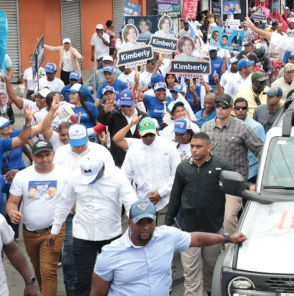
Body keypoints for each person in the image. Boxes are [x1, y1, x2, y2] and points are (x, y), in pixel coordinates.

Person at [91, 199, 246, 296]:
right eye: (140, 222)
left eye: (149, 222)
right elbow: (97, 293)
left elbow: (197, 238)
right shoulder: (110, 254)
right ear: (129, 222)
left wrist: (227, 238)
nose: (145, 227)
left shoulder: (167, 236)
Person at [49, 155, 137, 296]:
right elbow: (64, 203)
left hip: (111, 235)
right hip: (83, 234)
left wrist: (135, 230)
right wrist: (55, 230)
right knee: (83, 281)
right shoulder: (75, 177)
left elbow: (131, 202)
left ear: (102, 168)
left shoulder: (117, 175)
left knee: (114, 278)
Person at [166, 132, 235, 296]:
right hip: (188, 230)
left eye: (198, 146)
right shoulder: (183, 168)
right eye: (192, 146)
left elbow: (236, 187)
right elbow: (175, 195)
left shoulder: (222, 166)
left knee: (212, 268)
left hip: (213, 229)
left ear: (209, 147)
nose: (194, 150)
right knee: (190, 274)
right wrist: (168, 221)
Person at [5, 140, 70, 296]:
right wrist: (12, 212)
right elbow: (12, 202)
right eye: (40, 156)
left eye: (47, 154)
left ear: (53, 154)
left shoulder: (66, 174)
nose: (44, 159)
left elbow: (74, 199)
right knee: (39, 269)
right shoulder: (22, 176)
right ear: (32, 157)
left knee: (48, 270)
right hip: (30, 232)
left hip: (54, 230)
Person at [200, 94, 263, 234]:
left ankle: (229, 249)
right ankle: (215, 248)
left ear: (231, 109)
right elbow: (199, 152)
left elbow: (260, 149)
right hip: (211, 181)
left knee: (229, 218)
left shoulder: (243, 128)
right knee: (210, 217)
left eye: (224, 107)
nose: (220, 109)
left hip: (234, 184)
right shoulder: (206, 128)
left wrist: (264, 174)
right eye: (218, 106)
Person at [121, 117, 179, 222]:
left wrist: (161, 193)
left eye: (151, 134)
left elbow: (176, 173)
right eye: (145, 135)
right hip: (141, 202)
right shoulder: (133, 150)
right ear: (139, 133)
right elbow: (125, 177)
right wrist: (133, 201)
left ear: (156, 131)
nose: (148, 138)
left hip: (166, 200)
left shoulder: (169, 146)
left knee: (164, 235)